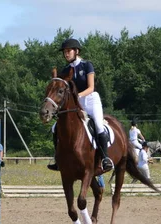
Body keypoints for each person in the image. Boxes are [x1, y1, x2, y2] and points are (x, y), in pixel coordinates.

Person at [47, 38, 113, 173]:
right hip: (76, 103)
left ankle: (105, 158)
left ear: (76, 51)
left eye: (68, 51)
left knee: (99, 126)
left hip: (90, 99)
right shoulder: (65, 70)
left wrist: (78, 96)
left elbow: (91, 87)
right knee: (55, 128)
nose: (66, 54)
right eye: (64, 52)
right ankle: (57, 158)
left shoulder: (87, 65)